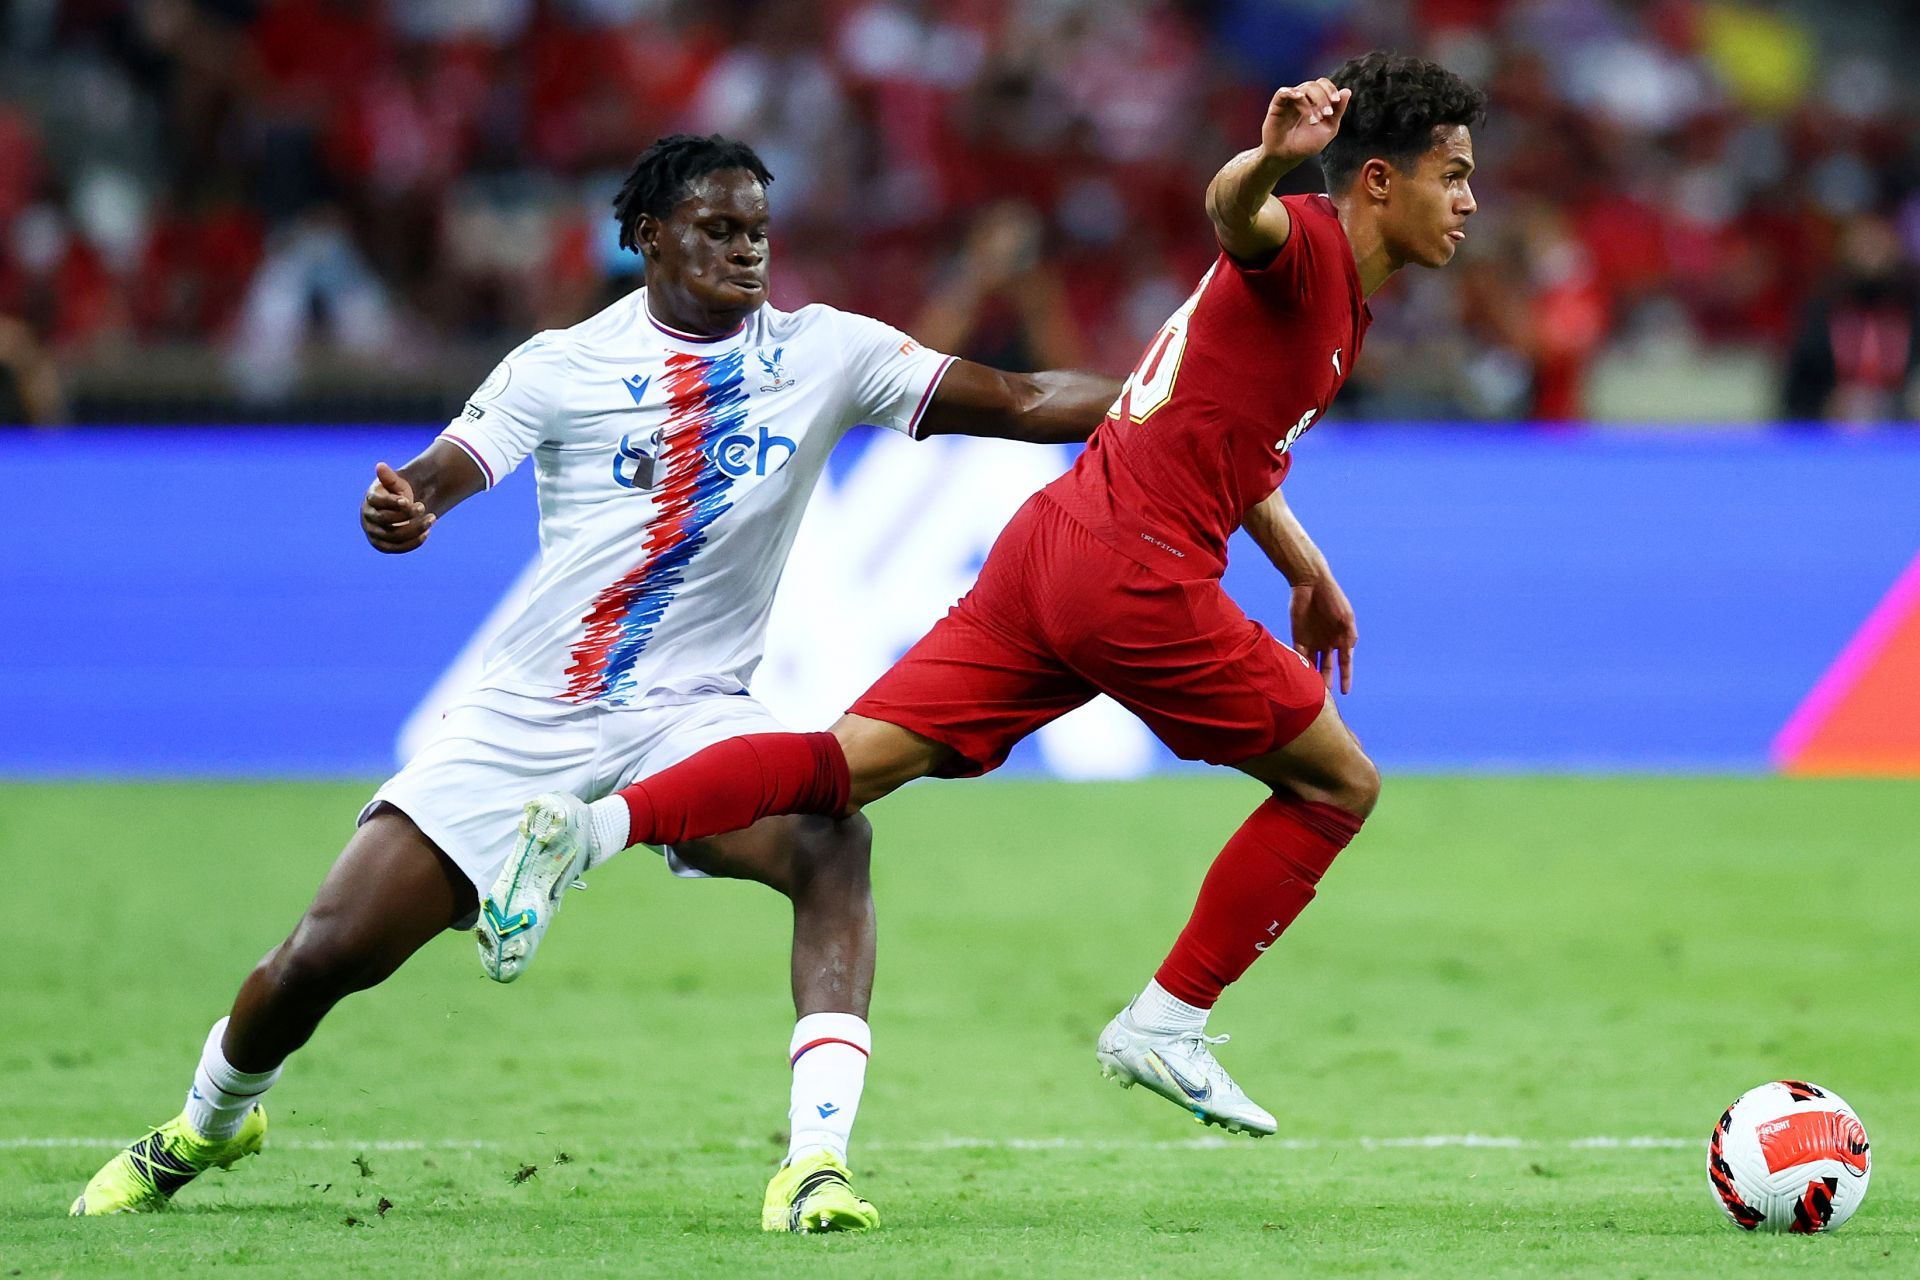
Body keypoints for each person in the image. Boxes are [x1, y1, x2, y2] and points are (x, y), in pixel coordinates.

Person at [69, 133, 1117, 1230]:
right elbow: (445, 470)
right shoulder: (559, 364)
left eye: (759, 230)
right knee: (323, 956)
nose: (748, 250)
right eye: (719, 228)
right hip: (530, 717)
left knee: (830, 834)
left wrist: (1177, 399)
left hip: (695, 713)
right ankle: (207, 1121)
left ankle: (814, 1163)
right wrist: (406, 505)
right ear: (649, 237)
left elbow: (1028, 395)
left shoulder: (828, 352)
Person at [497, 53, 1487, 1136]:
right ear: (1380, 180)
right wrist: (1265, 158)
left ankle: (588, 828)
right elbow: (1230, 209)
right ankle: (1168, 1019)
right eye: (1455, 174)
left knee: (849, 765)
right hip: (1138, 574)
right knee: (1338, 784)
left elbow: (1223, 440)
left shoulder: (1340, 299)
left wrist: (1308, 568)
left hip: (1055, 546)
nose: (1471, 202)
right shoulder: (1304, 244)